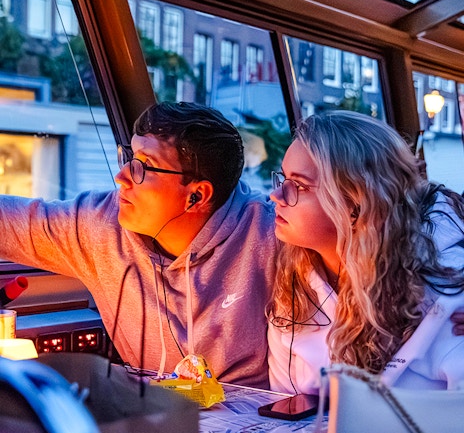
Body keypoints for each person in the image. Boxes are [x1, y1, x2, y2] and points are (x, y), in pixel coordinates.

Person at [0, 102, 277, 388]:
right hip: (154, 417)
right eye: (129, 159)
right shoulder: (101, 225)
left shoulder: (271, 236)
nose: (121, 178)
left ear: (197, 195)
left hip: (255, 421)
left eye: (144, 167)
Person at [267, 109, 464, 394]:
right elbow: (283, 400)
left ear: (358, 201)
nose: (276, 195)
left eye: (298, 185)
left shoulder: (444, 290)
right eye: (283, 178)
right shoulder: (295, 286)